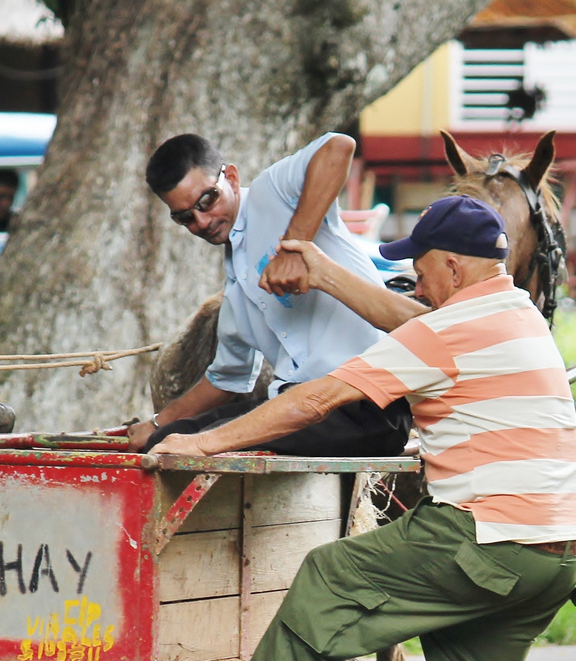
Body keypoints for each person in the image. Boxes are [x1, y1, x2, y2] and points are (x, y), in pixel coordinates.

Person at [160, 196, 576, 661]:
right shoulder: (513, 314)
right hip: (553, 555)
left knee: (332, 577)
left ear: (450, 266)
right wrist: (325, 272)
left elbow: (315, 400)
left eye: (418, 271)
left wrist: (201, 442)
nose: (411, 288)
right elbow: (413, 325)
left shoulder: (447, 327)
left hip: (483, 539)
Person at [126, 132, 410, 456]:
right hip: (295, 406)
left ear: (230, 177)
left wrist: (294, 247)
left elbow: (338, 147)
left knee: (207, 447)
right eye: (185, 217)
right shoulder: (236, 286)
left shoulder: (271, 192)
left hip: (367, 407)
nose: (202, 221)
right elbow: (226, 378)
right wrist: (158, 424)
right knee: (168, 440)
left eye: (207, 200)